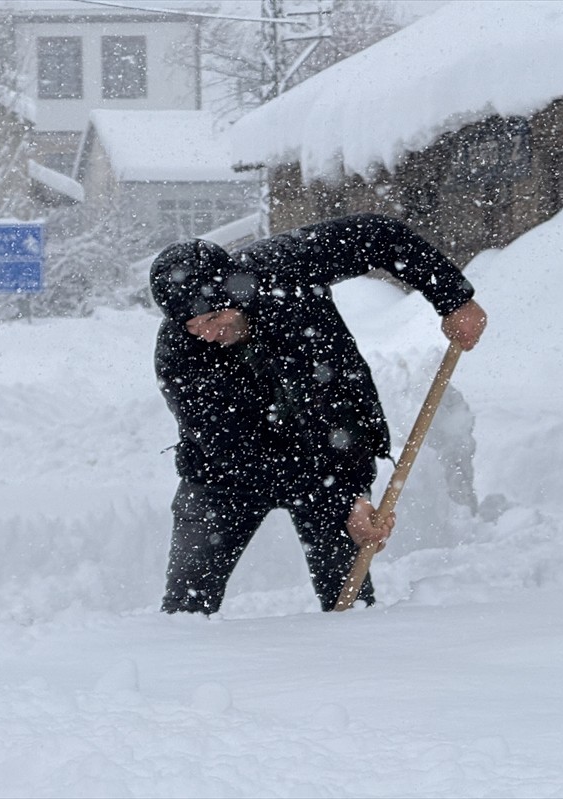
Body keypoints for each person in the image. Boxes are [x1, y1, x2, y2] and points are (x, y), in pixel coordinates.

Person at [150, 213, 487, 614]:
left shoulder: (285, 269)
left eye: (213, 317)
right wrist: (343, 498)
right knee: (186, 604)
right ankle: (183, 648)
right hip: (226, 475)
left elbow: (379, 235)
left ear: (233, 292)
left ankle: (350, 652)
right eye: (193, 326)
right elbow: (236, 452)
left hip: (329, 455)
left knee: (349, 603)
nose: (208, 334)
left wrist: (453, 299)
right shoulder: (179, 355)